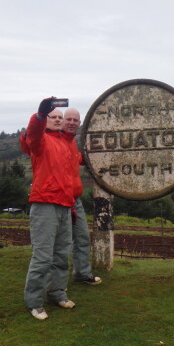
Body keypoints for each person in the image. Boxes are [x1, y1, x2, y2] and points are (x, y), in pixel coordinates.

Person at [22, 97, 77, 321]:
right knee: (43, 257)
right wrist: (39, 115)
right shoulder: (40, 140)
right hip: (45, 204)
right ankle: (34, 302)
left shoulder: (66, 143)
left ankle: (57, 293)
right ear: (46, 121)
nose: (57, 120)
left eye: (59, 117)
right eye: (52, 117)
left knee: (62, 256)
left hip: (65, 205)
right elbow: (32, 135)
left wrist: (71, 206)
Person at [62, 108, 102, 285]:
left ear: (79, 124)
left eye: (75, 120)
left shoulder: (71, 143)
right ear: (63, 121)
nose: (71, 123)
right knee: (61, 243)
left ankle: (82, 273)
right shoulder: (57, 140)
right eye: (68, 119)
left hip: (74, 200)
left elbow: (76, 158)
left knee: (82, 238)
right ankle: (57, 283)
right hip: (60, 200)